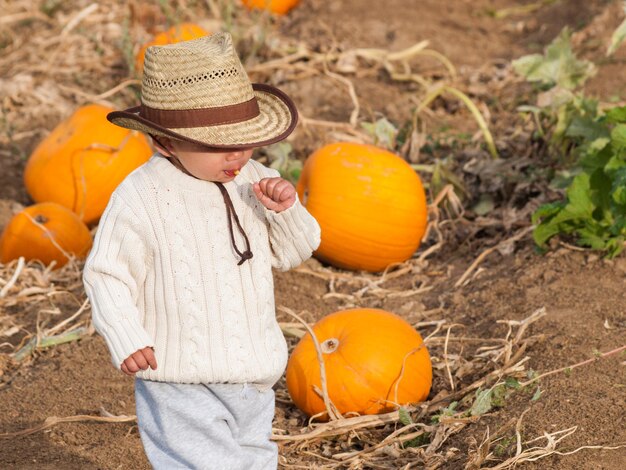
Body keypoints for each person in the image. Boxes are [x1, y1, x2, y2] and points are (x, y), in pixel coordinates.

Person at [83, 32, 321, 469]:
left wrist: (286, 210)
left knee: (253, 459)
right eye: (217, 144)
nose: (237, 154)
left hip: (253, 373)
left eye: (245, 139)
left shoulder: (255, 177)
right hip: (179, 375)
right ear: (165, 142)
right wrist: (126, 335)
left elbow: (296, 252)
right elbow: (107, 274)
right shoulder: (142, 196)